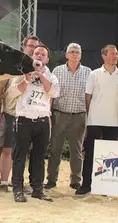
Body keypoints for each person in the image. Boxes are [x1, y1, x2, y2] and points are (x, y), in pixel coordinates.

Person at [9, 44, 59, 202]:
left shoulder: (51, 76)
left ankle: (37, 189)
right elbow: (12, 92)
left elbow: (54, 92)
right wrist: (27, 78)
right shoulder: (21, 71)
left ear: (47, 59)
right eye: (37, 53)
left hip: (43, 120)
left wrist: (41, 75)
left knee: (39, 156)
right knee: (19, 155)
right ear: (32, 56)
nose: (39, 56)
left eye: (42, 54)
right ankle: (17, 189)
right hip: (24, 119)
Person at [0, 35, 40, 192]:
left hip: (28, 115)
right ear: (24, 46)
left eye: (35, 46)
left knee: (23, 151)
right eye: (30, 46)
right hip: (11, 112)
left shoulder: (39, 68)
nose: (32, 49)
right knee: (7, 149)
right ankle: (4, 182)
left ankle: (17, 182)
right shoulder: (12, 64)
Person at [45, 43, 91, 190]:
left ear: (81, 55)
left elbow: (89, 96)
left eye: (77, 51)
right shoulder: (57, 71)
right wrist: (49, 113)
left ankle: (76, 180)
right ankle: (51, 179)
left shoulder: (88, 72)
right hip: (59, 114)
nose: (74, 54)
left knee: (76, 150)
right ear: (66, 55)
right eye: (71, 51)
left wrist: (88, 116)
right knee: (55, 149)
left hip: (79, 116)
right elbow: (51, 94)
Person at [75, 45, 118, 195]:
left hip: (114, 122)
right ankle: (86, 184)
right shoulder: (94, 74)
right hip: (95, 121)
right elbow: (88, 97)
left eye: (116, 54)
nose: (115, 56)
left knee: (111, 156)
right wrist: (91, 115)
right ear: (104, 56)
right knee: (91, 154)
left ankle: (106, 186)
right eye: (112, 54)